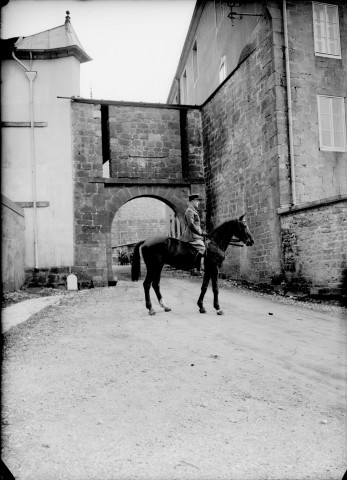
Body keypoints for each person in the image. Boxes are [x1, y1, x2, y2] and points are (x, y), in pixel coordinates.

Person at [181, 193, 206, 274]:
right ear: (192, 201)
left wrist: (202, 232)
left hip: (196, 234)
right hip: (191, 235)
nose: (198, 202)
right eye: (197, 201)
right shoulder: (189, 211)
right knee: (202, 248)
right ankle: (196, 268)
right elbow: (191, 224)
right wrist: (200, 232)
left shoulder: (193, 210)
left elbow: (197, 225)